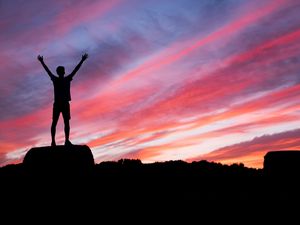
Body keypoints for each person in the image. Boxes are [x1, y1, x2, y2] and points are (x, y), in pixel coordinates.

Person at [37, 53, 88, 146]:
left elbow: (48, 71)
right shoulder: (62, 79)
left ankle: (61, 141)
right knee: (61, 122)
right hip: (60, 104)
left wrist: (42, 62)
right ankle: (58, 141)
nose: (62, 72)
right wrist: (82, 60)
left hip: (62, 103)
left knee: (61, 122)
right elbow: (75, 70)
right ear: (63, 72)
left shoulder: (61, 79)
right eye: (61, 71)